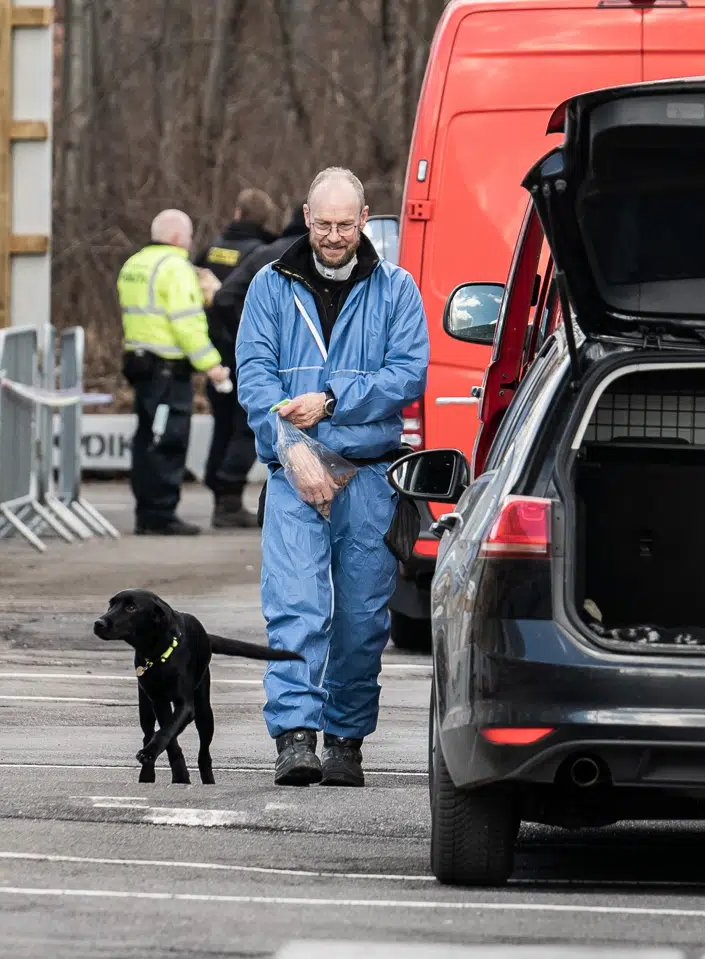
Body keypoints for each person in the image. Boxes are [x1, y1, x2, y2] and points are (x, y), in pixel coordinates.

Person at [237, 168, 429, 787]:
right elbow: (255, 376)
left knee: (362, 618)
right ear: (306, 216)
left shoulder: (397, 290)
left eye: (346, 224)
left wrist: (330, 400)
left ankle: (345, 738)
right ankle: (295, 736)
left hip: (367, 478)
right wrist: (290, 445)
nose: (335, 236)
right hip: (295, 473)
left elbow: (407, 375)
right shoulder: (270, 286)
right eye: (324, 224)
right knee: (295, 608)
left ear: (365, 219)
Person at [118, 209, 231, 536]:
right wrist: (212, 366)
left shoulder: (134, 264)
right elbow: (187, 324)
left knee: (147, 438)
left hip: (140, 363)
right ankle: (160, 513)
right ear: (179, 237)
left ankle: (147, 509)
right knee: (168, 439)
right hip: (167, 370)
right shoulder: (176, 269)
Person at [204, 208, 310, 528]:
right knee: (254, 426)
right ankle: (229, 498)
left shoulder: (264, 253)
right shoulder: (307, 257)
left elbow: (223, 298)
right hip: (286, 361)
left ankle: (225, 495)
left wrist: (244, 338)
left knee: (235, 424)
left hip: (244, 355)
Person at [196, 189, 281, 528]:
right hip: (242, 351)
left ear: (236, 212)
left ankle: (219, 493)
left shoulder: (209, 250)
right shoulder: (260, 254)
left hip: (211, 352)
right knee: (244, 426)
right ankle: (228, 498)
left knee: (222, 424)